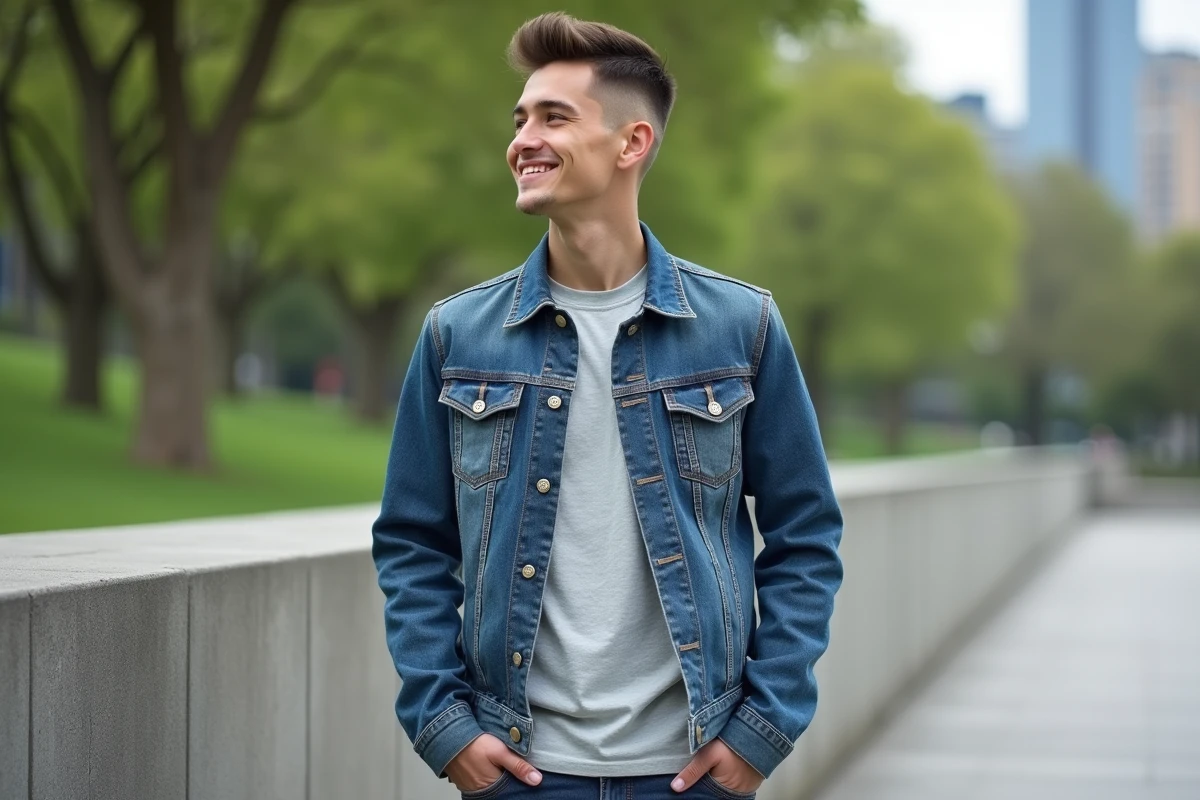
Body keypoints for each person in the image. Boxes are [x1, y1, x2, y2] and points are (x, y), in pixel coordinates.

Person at [372, 12, 843, 799]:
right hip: (519, 770)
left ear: (632, 143)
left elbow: (806, 537)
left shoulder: (741, 328)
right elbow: (412, 543)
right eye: (520, 118)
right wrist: (444, 726)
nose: (523, 139)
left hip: (689, 771)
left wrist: (762, 730)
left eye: (555, 117)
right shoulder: (458, 334)